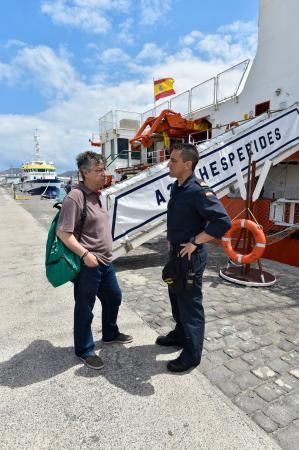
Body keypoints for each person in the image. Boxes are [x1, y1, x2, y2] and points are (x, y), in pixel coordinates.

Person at [156, 143, 231, 373]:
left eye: (173, 161)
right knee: (176, 297)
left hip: (191, 256)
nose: (169, 164)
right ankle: (180, 335)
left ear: (188, 164)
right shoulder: (177, 187)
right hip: (176, 253)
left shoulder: (199, 190)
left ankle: (191, 354)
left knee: (190, 305)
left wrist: (196, 241)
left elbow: (222, 222)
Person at [56, 151, 132, 370]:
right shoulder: (75, 197)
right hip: (88, 264)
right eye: (98, 171)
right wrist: (85, 255)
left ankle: (109, 333)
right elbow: (64, 233)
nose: (104, 174)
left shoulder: (96, 194)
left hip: (105, 262)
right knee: (85, 308)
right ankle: (84, 350)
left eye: (103, 169)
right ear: (84, 173)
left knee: (114, 297)